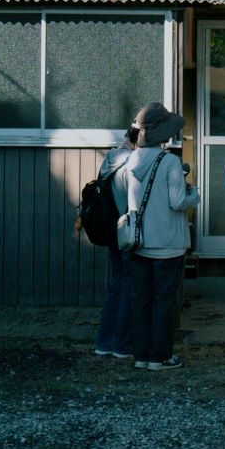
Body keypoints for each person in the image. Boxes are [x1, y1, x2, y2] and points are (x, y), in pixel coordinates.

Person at [118, 103, 198, 370]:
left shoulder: (131, 159)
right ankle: (160, 356)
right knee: (164, 302)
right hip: (168, 244)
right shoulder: (170, 161)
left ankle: (141, 355)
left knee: (141, 300)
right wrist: (194, 194)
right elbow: (177, 202)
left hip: (139, 243)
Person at [92, 126, 139, 358]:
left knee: (116, 286)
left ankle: (104, 342)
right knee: (130, 285)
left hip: (110, 229)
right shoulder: (131, 162)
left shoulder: (109, 160)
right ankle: (122, 344)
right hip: (127, 230)